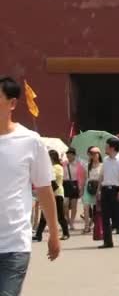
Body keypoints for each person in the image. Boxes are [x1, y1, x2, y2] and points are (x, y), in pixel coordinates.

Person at [0, 76, 60, 296]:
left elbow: (44, 190)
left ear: (12, 103)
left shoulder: (30, 141)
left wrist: (53, 233)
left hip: (14, 244)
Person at [98, 137, 119, 249]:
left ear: (112, 147)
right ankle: (108, 242)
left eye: (107, 146)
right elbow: (101, 176)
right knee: (105, 217)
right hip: (105, 190)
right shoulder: (105, 160)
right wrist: (98, 190)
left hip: (117, 190)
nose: (105, 148)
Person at [34, 150, 71, 241]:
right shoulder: (50, 167)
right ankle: (38, 235)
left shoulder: (57, 167)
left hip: (57, 193)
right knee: (44, 216)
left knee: (60, 215)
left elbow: (51, 178)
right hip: (49, 194)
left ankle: (66, 233)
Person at [62, 147, 85, 231]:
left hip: (75, 184)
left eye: (70, 154)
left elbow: (82, 177)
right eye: (67, 154)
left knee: (74, 204)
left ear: (74, 155)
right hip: (65, 184)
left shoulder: (79, 164)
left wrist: (81, 187)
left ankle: (72, 222)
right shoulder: (64, 164)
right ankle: (67, 220)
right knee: (65, 204)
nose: (68, 156)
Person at [82, 147, 103, 234]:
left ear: (99, 154)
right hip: (88, 187)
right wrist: (81, 189)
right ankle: (86, 226)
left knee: (97, 208)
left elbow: (102, 178)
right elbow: (85, 178)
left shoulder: (103, 165)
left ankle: (94, 224)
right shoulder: (87, 165)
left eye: (95, 153)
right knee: (86, 207)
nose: (94, 155)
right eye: (92, 154)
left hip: (98, 188)